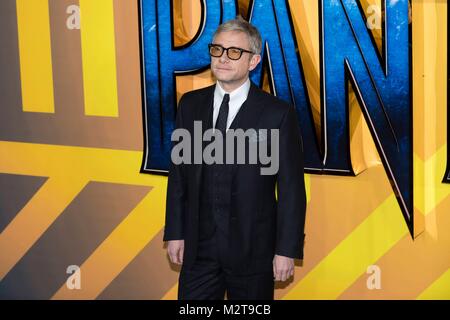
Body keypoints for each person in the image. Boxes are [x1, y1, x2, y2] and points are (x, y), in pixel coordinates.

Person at [164, 16, 307, 300]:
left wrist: (285, 249)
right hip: (199, 251)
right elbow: (179, 176)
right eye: (217, 49)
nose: (223, 58)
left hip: (254, 251)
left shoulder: (277, 114)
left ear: (253, 62)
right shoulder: (190, 105)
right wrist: (175, 231)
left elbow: (291, 188)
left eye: (234, 52)